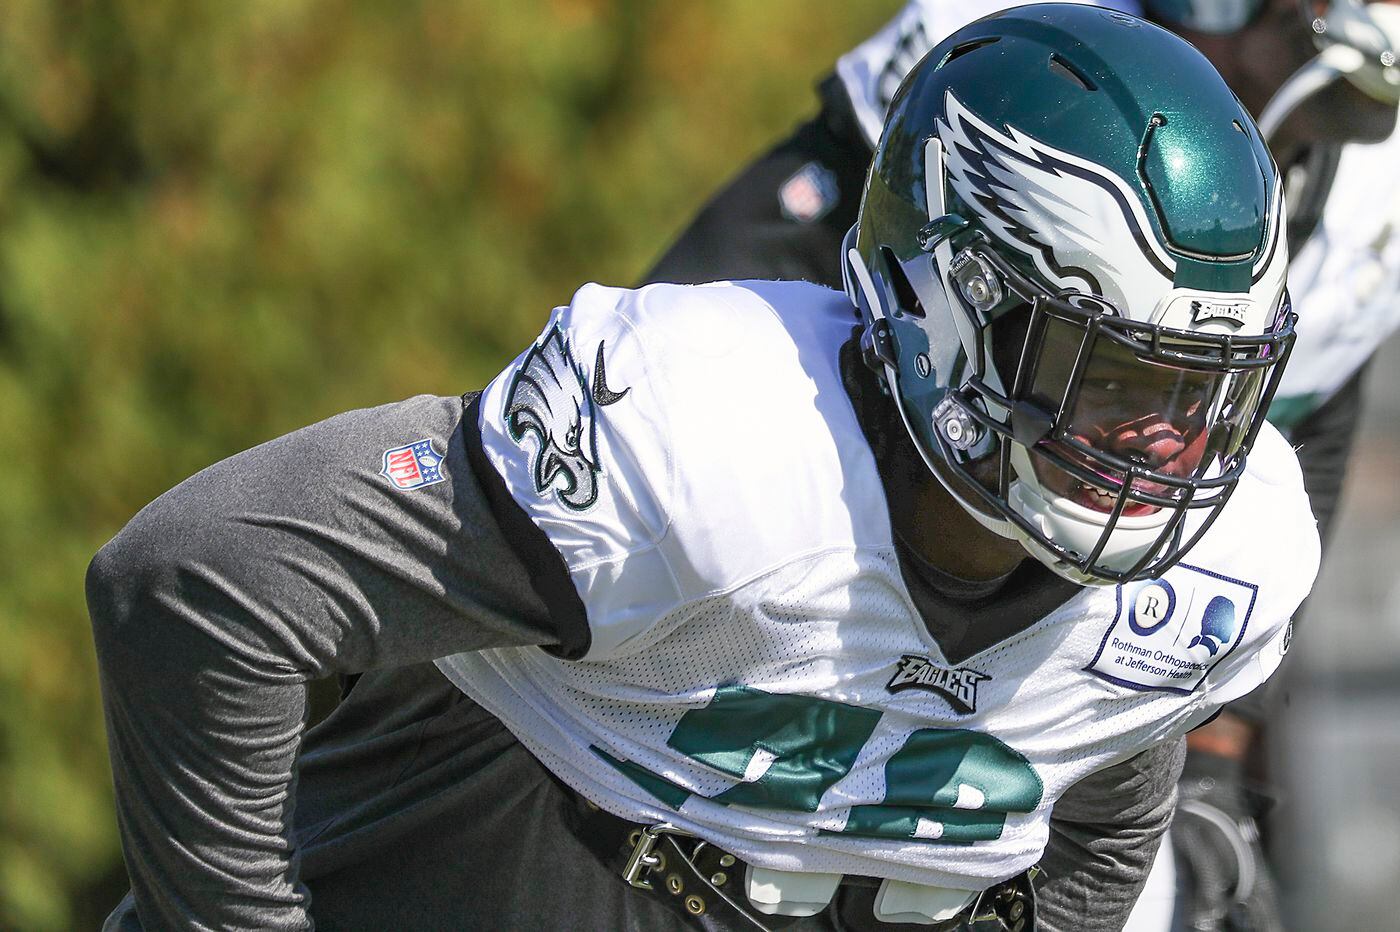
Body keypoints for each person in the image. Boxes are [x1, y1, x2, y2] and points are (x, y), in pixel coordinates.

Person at [88, 6, 1317, 931]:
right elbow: (203, 582)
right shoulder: (708, 447)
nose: (1165, 441)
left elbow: (1102, 779)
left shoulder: (1222, 568)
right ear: (950, 304)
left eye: (1202, 391)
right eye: (1112, 375)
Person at [644, 1, 1400, 928]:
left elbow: (1313, 425)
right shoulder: (1007, 64)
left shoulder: (1368, 221)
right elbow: (717, 341)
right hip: (849, 570)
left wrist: (1211, 770)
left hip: (1058, 640)